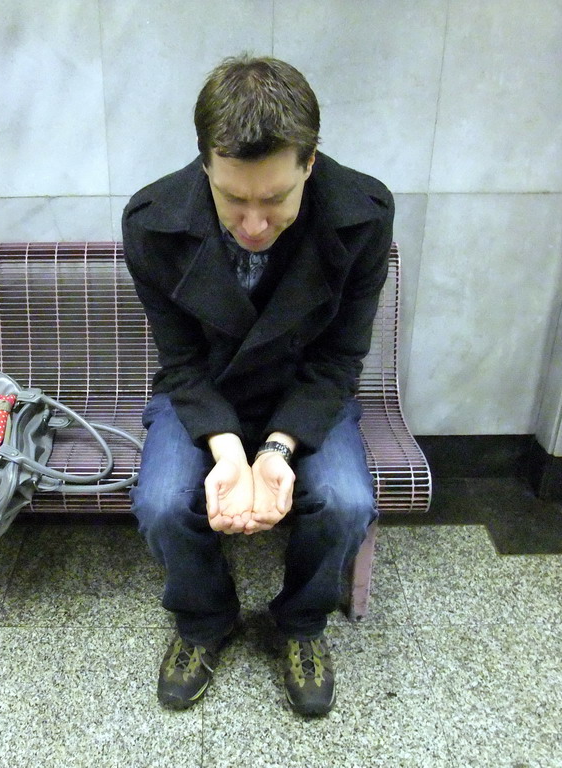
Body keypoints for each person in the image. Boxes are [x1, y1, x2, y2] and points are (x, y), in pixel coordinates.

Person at [122, 54, 393, 717]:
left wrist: (273, 451)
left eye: (274, 200)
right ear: (204, 165)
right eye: (231, 199)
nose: (252, 223)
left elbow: (337, 360)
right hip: (204, 391)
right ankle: (203, 619)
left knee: (346, 502)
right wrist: (225, 451)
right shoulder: (152, 221)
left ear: (309, 161)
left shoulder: (362, 212)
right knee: (159, 502)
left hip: (305, 391)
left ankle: (302, 623)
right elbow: (180, 362)